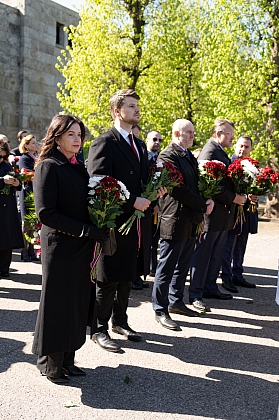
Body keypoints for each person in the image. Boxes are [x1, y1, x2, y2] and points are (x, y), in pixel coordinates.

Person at [87, 89, 166, 352]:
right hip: (114, 222)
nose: (137, 110)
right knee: (108, 277)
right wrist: (132, 200)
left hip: (137, 223)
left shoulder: (140, 144)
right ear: (116, 111)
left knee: (127, 275)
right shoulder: (105, 142)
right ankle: (99, 328)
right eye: (131, 106)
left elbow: (142, 179)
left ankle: (120, 321)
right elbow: (98, 183)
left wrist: (155, 191)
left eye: (137, 106)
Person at [32, 114, 108, 384]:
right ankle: (51, 363)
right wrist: (86, 230)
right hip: (60, 247)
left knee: (77, 303)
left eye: (79, 135)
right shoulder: (48, 167)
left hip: (81, 247)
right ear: (57, 137)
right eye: (71, 135)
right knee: (58, 304)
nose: (77, 140)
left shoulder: (78, 167)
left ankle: (68, 359)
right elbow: (45, 213)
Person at [152, 119, 214, 330]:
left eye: (193, 133)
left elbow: (195, 185)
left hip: (190, 220)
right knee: (167, 266)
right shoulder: (168, 155)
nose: (192, 136)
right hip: (174, 218)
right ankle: (160, 309)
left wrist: (208, 198)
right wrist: (202, 204)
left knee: (183, 265)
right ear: (176, 133)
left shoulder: (187, 155)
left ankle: (176, 301)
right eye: (188, 132)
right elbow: (177, 189)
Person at [189, 119, 246, 311]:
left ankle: (209, 286)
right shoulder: (210, 151)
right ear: (218, 133)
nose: (232, 137)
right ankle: (196, 293)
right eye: (229, 134)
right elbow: (210, 185)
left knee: (216, 254)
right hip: (212, 214)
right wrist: (234, 198)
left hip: (222, 215)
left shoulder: (219, 151)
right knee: (203, 254)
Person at [221, 136, 257, 292]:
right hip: (232, 211)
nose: (243, 149)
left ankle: (238, 274)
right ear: (235, 146)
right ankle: (226, 277)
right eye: (241, 146)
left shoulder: (252, 166)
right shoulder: (228, 163)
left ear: (250, 149)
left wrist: (254, 195)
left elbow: (256, 185)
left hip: (246, 212)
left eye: (247, 146)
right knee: (228, 246)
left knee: (241, 245)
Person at [132, 130, 163, 290]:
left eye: (160, 139)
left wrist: (156, 202)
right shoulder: (144, 156)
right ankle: (134, 276)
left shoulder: (157, 159)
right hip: (137, 204)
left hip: (151, 206)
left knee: (149, 241)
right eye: (154, 139)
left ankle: (139, 274)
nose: (157, 142)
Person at [0, 139, 23, 277]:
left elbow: (19, 185)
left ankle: (4, 269)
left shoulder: (8, 165)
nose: (1, 159)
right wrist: (2, 180)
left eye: (4, 156)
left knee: (6, 239)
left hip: (8, 207)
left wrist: (16, 182)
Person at [18, 134, 39, 261]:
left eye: (36, 143)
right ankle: (24, 250)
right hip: (27, 193)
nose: (36, 145)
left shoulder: (37, 158)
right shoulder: (24, 158)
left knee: (33, 223)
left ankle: (32, 249)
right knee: (26, 224)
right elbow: (25, 174)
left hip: (35, 192)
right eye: (33, 143)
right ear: (26, 146)